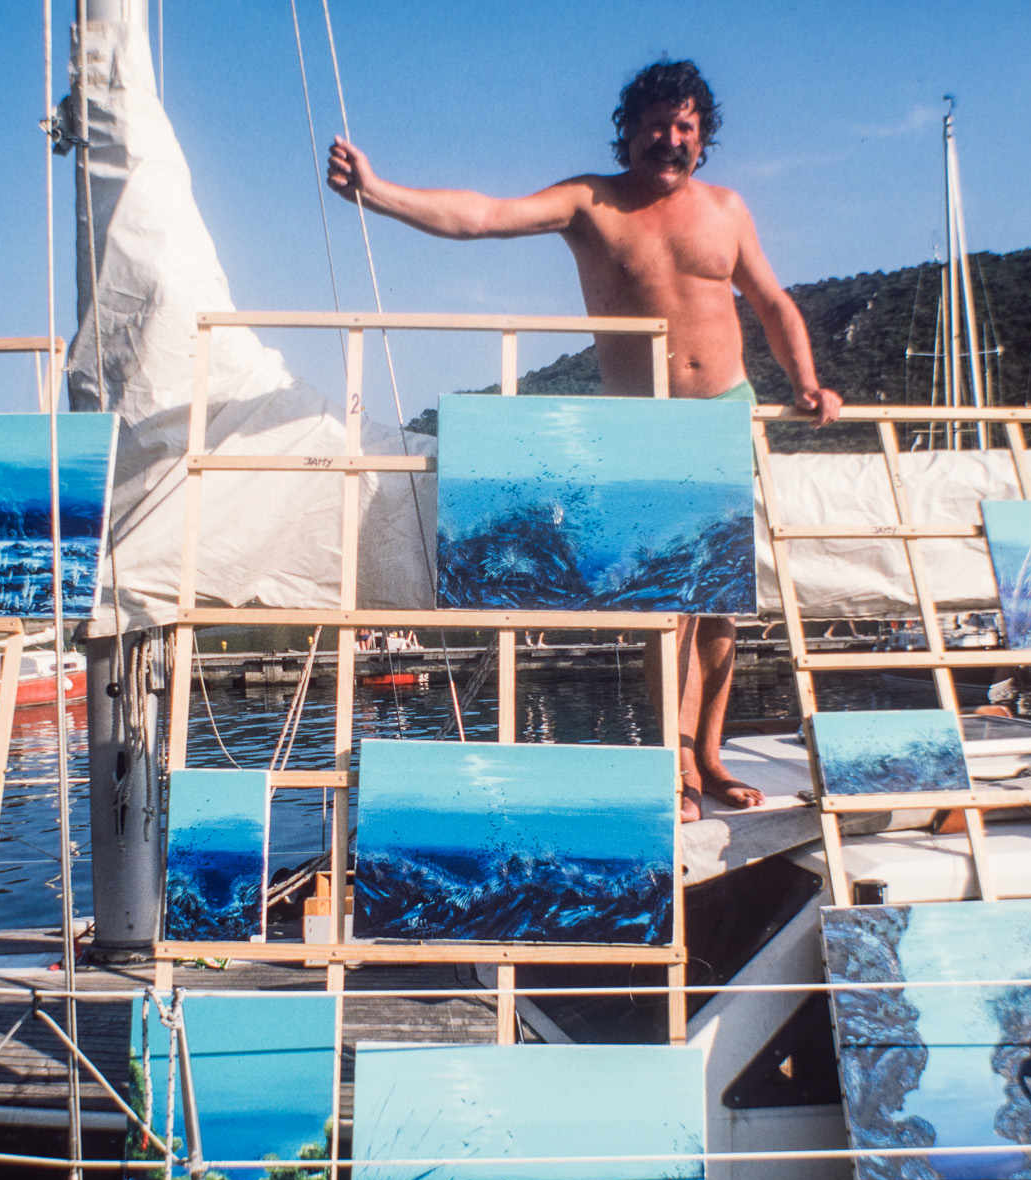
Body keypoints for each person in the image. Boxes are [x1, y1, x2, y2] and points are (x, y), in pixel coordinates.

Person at [328, 59, 841, 821]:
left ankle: (709, 757)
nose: (671, 140)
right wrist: (379, 191)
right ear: (628, 130)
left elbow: (771, 301)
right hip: (643, 425)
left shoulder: (727, 209)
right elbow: (482, 216)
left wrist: (807, 381)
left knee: (721, 609)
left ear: (703, 139)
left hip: (724, 412)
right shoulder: (590, 203)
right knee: (663, 608)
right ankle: (671, 768)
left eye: (687, 128)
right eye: (658, 125)